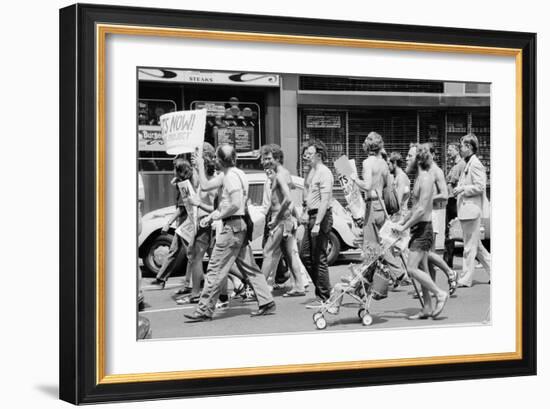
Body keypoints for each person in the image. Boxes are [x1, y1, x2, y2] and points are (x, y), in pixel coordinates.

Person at [183, 144, 275, 322]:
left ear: (220, 160)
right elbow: (205, 184)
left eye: (216, 158)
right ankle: (267, 302)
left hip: (231, 227)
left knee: (215, 268)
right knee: (250, 268)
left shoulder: (230, 177)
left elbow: (235, 203)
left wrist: (216, 215)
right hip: (237, 227)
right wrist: (200, 165)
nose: (215, 161)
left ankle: (204, 310)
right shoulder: (233, 174)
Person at [393, 144, 449, 319]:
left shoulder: (425, 178)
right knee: (422, 268)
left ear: (418, 159)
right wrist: (401, 221)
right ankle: (427, 307)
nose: (407, 159)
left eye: (410, 156)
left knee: (411, 269)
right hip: (419, 228)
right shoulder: (418, 178)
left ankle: (440, 294)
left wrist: (404, 227)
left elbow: (421, 209)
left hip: (423, 230)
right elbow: (415, 207)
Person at [351, 132, 404, 279]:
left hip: (372, 205)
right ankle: (379, 275)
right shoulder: (383, 163)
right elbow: (388, 184)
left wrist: (355, 179)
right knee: (380, 242)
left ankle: (391, 272)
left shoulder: (367, 162)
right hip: (382, 206)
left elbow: (367, 186)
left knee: (371, 246)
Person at [259, 145, 306, 296]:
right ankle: (299, 286)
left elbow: (287, 199)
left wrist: (276, 219)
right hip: (286, 220)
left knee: (267, 252)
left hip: (281, 221)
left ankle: (260, 289)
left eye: (269, 159)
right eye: (264, 158)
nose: (266, 162)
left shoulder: (280, 175)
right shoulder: (282, 174)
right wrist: (296, 217)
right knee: (289, 254)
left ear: (278, 158)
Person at [174, 146, 218, 304]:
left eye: (195, 155)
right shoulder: (203, 178)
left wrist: (199, 204)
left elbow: (217, 207)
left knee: (197, 257)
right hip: (201, 222)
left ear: (204, 157)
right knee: (211, 259)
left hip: (206, 222)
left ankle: (195, 293)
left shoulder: (212, 180)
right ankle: (239, 284)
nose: (192, 157)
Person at [149, 158, 194, 289]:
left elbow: (181, 208)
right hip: (184, 223)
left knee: (190, 255)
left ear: (180, 171)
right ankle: (161, 278)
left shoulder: (184, 186)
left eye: (174, 168)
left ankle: (190, 283)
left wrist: (168, 223)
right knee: (174, 250)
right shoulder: (183, 182)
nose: (172, 171)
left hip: (185, 224)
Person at [453, 134, 491, 287]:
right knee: (477, 247)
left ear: (469, 147)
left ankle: (465, 278)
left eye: (461, 146)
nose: (460, 149)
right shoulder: (469, 163)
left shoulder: (475, 164)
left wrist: (462, 189)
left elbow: (481, 186)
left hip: (471, 210)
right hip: (467, 210)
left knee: (469, 247)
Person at [300, 139, 334, 307]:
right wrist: (305, 213)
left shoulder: (324, 172)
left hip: (321, 217)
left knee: (319, 257)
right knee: (305, 254)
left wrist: (318, 223)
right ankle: (325, 289)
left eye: (310, 154)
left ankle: (324, 297)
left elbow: (324, 200)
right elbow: (310, 198)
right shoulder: (313, 172)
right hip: (312, 216)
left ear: (319, 155)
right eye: (305, 154)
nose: (307, 157)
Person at [426, 144, 458, 295]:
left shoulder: (435, 171)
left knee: (427, 253)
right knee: (426, 254)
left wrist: (426, 199)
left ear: (432, 154)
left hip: (432, 214)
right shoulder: (426, 170)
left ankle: (449, 273)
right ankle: (430, 286)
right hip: (426, 214)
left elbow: (444, 195)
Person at [444, 143, 466, 268]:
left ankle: (448, 261)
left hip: (453, 200)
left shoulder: (460, 165)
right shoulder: (456, 165)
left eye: (450, 150)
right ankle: (447, 260)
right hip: (452, 199)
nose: (448, 152)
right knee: (451, 230)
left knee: (450, 230)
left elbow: (452, 183)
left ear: (457, 151)